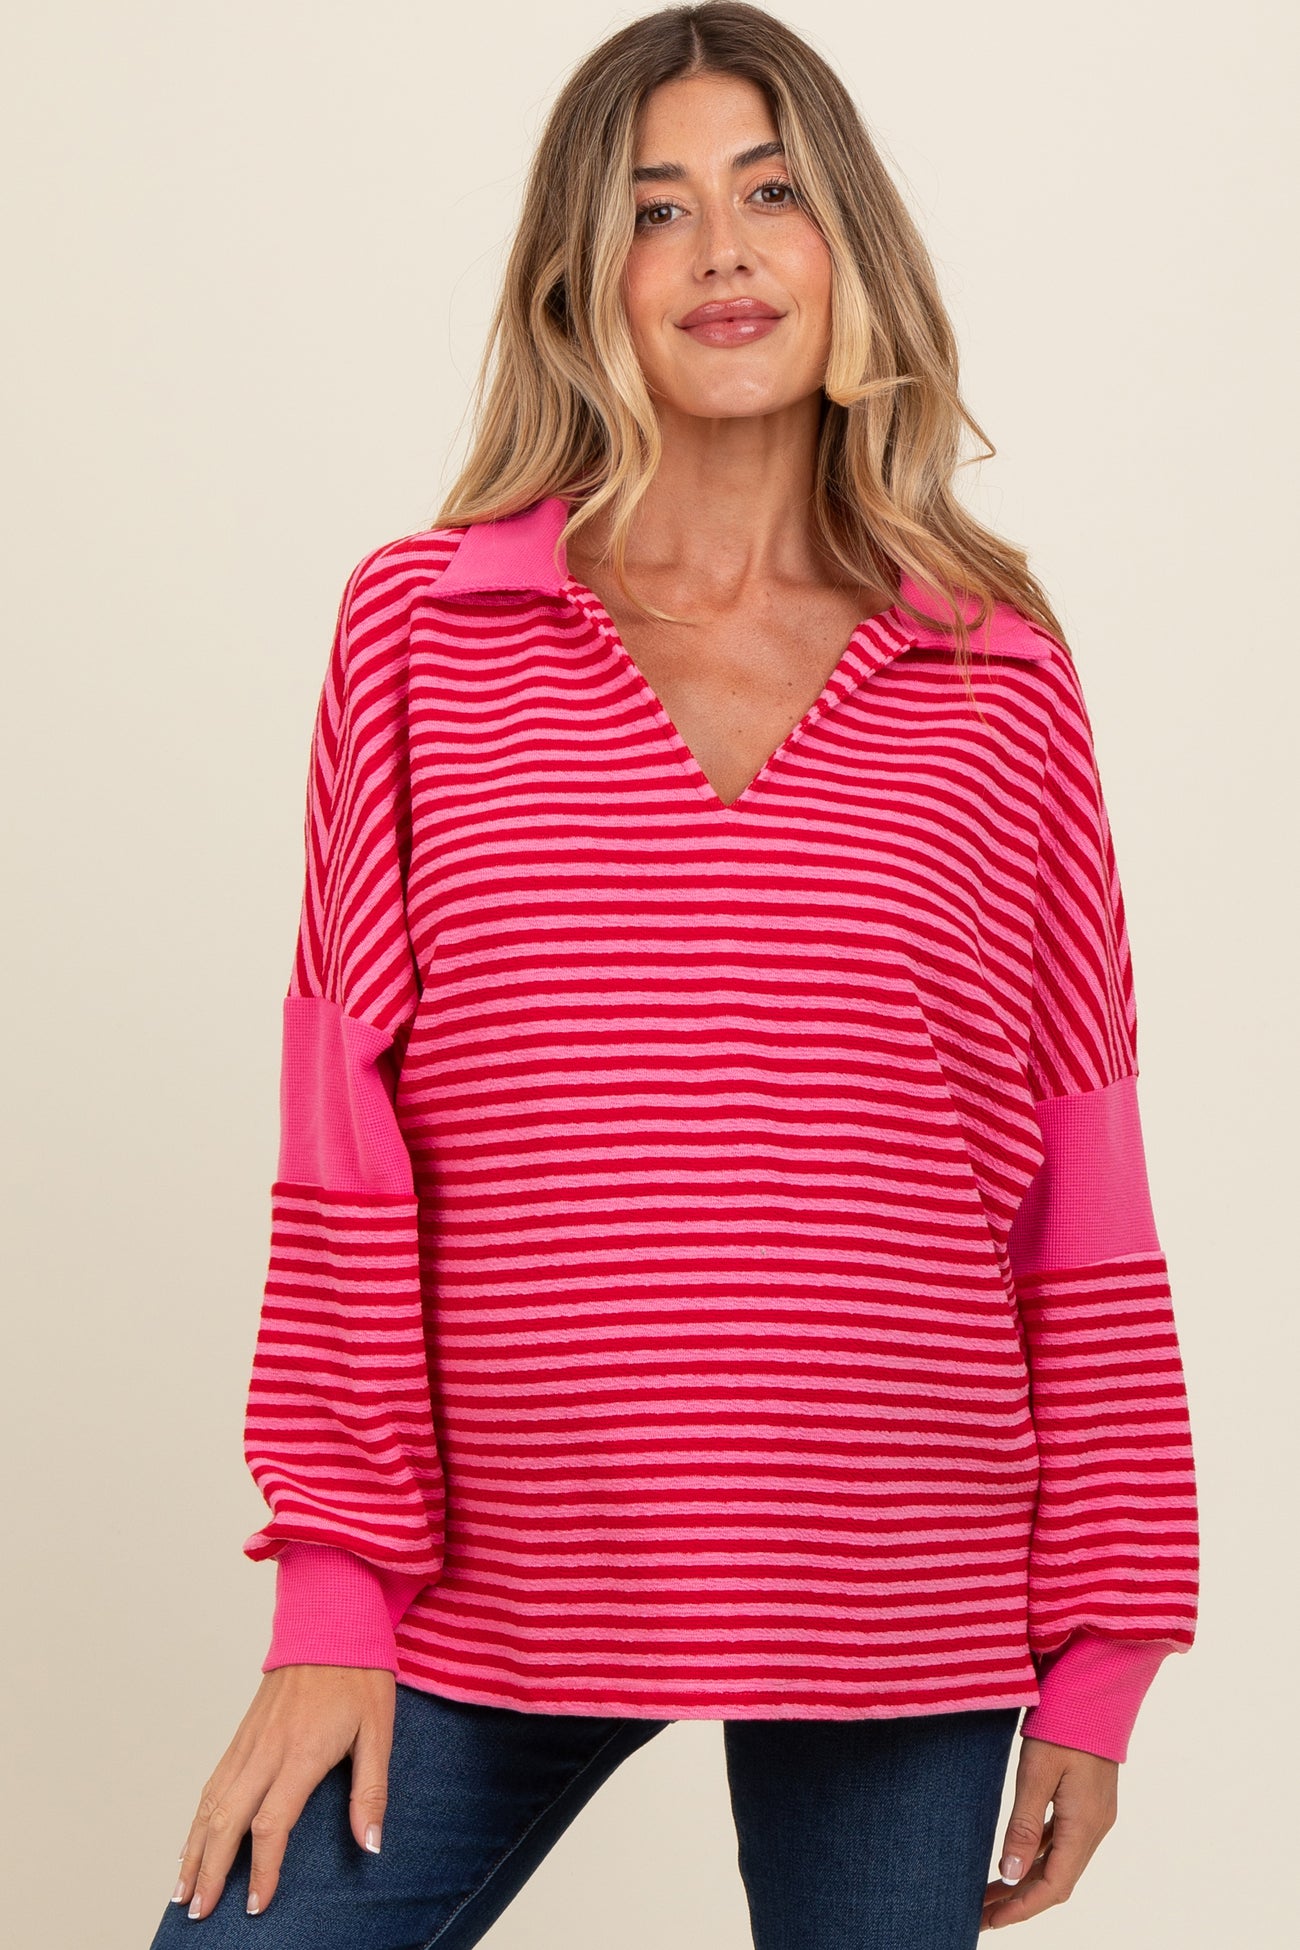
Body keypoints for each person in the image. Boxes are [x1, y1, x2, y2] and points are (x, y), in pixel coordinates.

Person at [151, 5, 1199, 1944]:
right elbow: (343, 1145)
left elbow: (1081, 1190)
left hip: (899, 1575)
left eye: (770, 193)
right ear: (584, 281)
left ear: (847, 246)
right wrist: (332, 1594)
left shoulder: (994, 672)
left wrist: (1103, 1649)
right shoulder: (424, 628)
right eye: (655, 208)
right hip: (496, 1566)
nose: (721, 250)